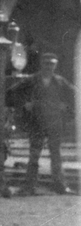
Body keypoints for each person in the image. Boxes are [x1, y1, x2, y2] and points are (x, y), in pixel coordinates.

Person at [15, 53, 78, 196]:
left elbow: (76, 94)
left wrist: (67, 108)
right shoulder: (31, 80)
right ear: (41, 64)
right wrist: (24, 104)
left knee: (56, 155)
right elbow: (13, 92)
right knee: (34, 155)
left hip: (54, 122)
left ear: (55, 65)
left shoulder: (60, 82)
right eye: (46, 64)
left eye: (52, 64)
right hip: (37, 122)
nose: (49, 67)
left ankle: (60, 186)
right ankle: (29, 187)